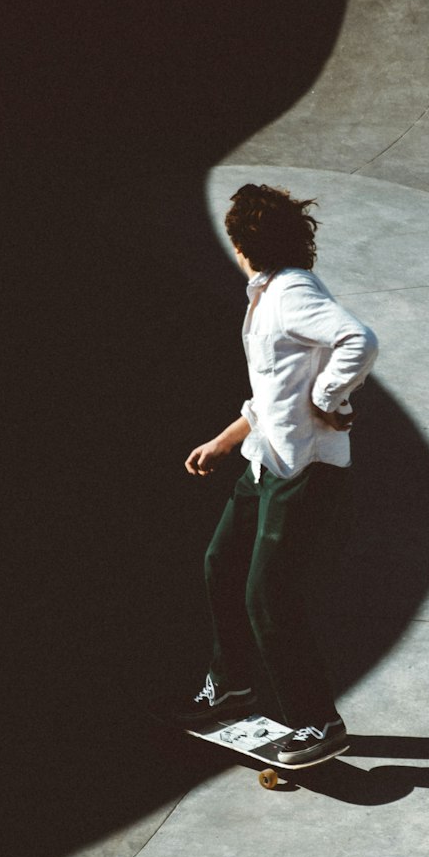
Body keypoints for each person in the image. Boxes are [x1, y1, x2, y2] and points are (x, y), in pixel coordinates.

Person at [175, 182, 378, 765]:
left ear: (244, 244)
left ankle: (318, 722)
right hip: (264, 461)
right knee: (222, 564)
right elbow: (271, 389)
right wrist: (225, 440)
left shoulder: (292, 293)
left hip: (304, 470)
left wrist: (327, 395)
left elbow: (358, 340)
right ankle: (233, 683)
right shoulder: (266, 293)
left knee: (269, 595)